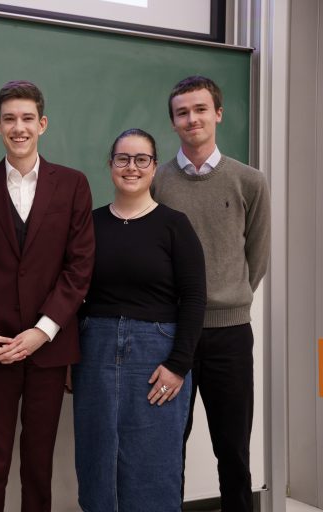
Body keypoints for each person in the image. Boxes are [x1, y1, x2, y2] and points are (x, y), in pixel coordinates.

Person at [0, 80, 95, 512]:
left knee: (38, 463)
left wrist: (43, 330)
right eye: (9, 119)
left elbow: (79, 268)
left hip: (50, 350)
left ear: (42, 124)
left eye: (27, 118)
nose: (19, 127)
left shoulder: (72, 185)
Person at [151, 76, 270, 511]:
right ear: (173, 122)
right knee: (167, 447)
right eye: (182, 112)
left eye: (200, 109)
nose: (192, 119)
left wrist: (228, 295)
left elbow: (255, 256)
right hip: (171, 334)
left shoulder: (249, 181)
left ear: (218, 114)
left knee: (233, 448)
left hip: (230, 336)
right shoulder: (156, 181)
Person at [72, 128, 206, 511]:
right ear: (110, 165)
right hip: (93, 350)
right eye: (122, 159)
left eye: (141, 159)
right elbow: (74, 291)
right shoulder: (89, 225)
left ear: (153, 166)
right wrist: (69, 356)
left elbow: (195, 297)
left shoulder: (174, 225)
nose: (131, 167)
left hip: (157, 354)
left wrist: (178, 365)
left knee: (153, 459)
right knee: (97, 455)